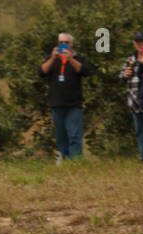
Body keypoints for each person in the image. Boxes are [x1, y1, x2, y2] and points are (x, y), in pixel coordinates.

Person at [40, 32, 92, 160]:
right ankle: (63, 159)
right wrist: (52, 58)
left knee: (74, 135)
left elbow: (85, 71)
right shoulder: (52, 59)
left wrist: (70, 59)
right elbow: (42, 72)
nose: (63, 45)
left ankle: (76, 161)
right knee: (61, 136)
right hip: (56, 103)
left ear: (72, 44)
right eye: (61, 42)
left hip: (73, 104)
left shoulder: (78, 58)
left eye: (66, 42)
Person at [121, 31, 143, 160]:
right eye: (138, 42)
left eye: (142, 41)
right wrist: (125, 74)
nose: (140, 44)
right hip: (133, 100)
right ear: (134, 44)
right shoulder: (130, 59)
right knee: (139, 130)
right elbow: (121, 76)